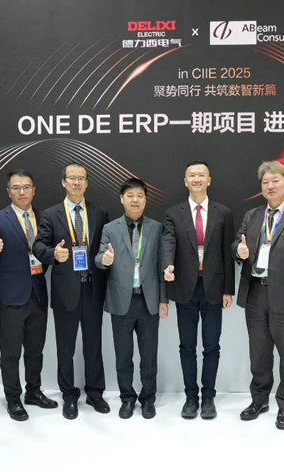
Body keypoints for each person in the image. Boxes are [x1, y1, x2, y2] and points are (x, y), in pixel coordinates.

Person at [231, 161, 284, 430]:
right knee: (258, 352)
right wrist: (238, 251)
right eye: (265, 182)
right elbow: (237, 243)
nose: (270, 186)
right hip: (255, 292)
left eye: (275, 181)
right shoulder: (252, 215)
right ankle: (259, 400)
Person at [0, 170, 58, 422]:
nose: (22, 192)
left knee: (35, 351)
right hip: (12, 295)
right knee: (10, 353)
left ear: (34, 190)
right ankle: (13, 398)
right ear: (8, 192)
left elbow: (47, 252)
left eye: (26, 187)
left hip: (38, 292)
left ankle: (33, 391)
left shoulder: (44, 218)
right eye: (16, 188)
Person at [32, 163, 109, 420]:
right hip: (66, 290)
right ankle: (69, 395)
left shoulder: (100, 212)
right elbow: (38, 246)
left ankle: (95, 393)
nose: (77, 183)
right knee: (65, 348)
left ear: (87, 183)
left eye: (81, 179)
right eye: (72, 178)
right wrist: (52, 253)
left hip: (93, 289)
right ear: (63, 182)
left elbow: (105, 247)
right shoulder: (50, 214)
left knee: (93, 346)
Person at [162, 161, 235, 420]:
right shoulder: (174, 213)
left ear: (209, 180)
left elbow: (227, 252)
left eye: (201, 175)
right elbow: (168, 241)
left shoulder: (223, 212)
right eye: (191, 175)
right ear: (185, 181)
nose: (196, 179)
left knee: (211, 346)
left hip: (213, 289)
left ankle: (209, 397)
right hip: (185, 289)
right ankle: (191, 397)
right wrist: (167, 264)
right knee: (187, 346)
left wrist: (228, 289)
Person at [95, 178, 168, 419]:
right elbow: (99, 257)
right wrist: (104, 260)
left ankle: (148, 399)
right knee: (123, 356)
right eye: (130, 196)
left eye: (139, 196)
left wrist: (163, 299)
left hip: (148, 301)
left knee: (149, 357)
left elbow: (162, 265)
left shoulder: (156, 228)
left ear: (145, 199)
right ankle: (127, 398)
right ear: (122, 199)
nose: (135, 200)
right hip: (121, 301)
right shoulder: (110, 228)